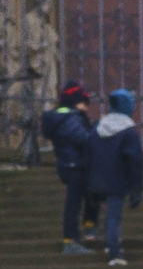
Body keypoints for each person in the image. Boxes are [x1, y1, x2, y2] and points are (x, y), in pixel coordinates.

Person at [77, 79, 143, 266]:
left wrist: (88, 180)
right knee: (114, 217)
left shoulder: (97, 128)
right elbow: (135, 161)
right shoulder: (129, 132)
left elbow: (87, 154)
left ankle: (104, 240)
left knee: (107, 213)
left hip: (97, 181)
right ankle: (114, 253)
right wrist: (137, 188)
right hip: (117, 181)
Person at [36, 78, 99, 251]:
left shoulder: (61, 117)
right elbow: (84, 139)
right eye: (84, 103)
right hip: (75, 165)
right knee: (74, 203)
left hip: (69, 164)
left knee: (83, 197)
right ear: (76, 102)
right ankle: (71, 240)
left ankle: (86, 228)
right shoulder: (70, 119)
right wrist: (97, 129)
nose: (87, 107)